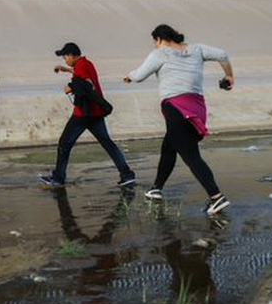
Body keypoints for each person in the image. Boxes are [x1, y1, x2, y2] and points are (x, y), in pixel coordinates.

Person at [123, 24, 235, 216]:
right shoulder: (197, 49)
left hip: (176, 109)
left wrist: (129, 76)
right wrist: (229, 76)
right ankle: (156, 188)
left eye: (155, 42)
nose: (155, 45)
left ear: (159, 39)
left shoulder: (160, 53)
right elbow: (223, 55)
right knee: (169, 146)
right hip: (197, 108)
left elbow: (140, 76)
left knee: (191, 156)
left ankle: (216, 197)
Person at [39, 42, 136, 188]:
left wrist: (70, 87)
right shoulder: (86, 63)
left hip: (83, 114)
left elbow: (87, 83)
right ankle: (127, 175)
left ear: (71, 55)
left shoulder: (81, 67)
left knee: (64, 144)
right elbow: (83, 76)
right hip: (96, 113)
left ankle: (58, 178)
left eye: (65, 57)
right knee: (107, 143)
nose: (65, 59)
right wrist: (67, 70)